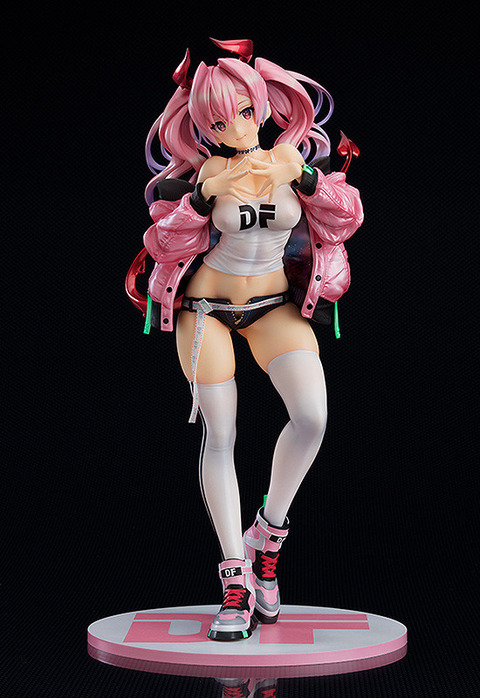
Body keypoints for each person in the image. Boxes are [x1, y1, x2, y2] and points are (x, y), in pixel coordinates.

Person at [132, 38, 363, 641]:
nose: (233, 127)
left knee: (312, 418)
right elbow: (162, 245)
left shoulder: (289, 162)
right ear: (202, 128)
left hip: (273, 307)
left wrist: (305, 176)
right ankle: (234, 579)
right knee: (221, 435)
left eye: (241, 111)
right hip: (206, 311)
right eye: (216, 121)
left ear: (260, 106)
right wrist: (200, 199)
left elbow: (347, 218)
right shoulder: (204, 176)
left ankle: (268, 535)